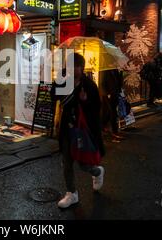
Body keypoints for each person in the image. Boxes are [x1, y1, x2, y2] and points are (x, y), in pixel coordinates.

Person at [52, 53, 105, 209]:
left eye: (74, 66)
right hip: (67, 129)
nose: (70, 69)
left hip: (82, 131)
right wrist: (58, 80)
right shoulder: (64, 80)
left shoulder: (89, 85)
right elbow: (53, 96)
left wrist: (85, 101)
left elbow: (97, 109)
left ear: (81, 68)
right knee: (67, 163)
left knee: (84, 165)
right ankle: (71, 193)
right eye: (68, 66)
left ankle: (97, 172)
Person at [100, 69, 125, 141]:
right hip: (108, 94)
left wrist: (121, 72)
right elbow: (102, 83)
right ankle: (115, 131)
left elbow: (118, 81)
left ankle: (103, 126)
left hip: (115, 93)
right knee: (113, 112)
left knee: (108, 112)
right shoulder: (104, 69)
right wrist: (106, 93)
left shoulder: (116, 69)